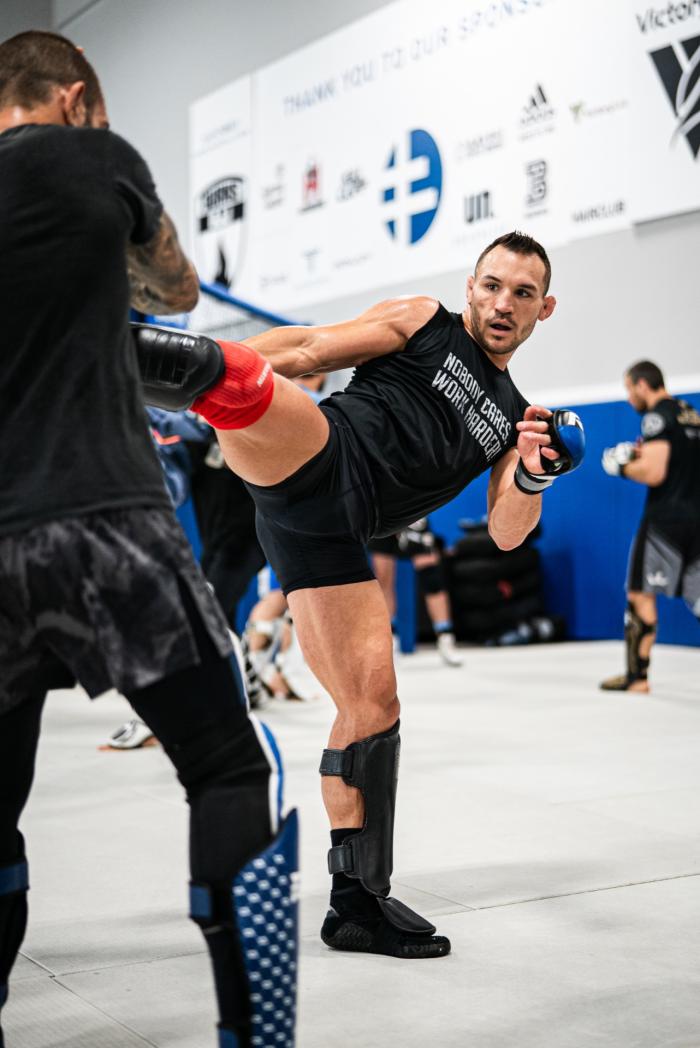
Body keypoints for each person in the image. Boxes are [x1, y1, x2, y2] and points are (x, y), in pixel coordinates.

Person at [134, 230, 585, 960]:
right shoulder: (421, 321)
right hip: (319, 457)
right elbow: (311, 348)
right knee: (242, 387)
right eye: (493, 285)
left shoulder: (514, 421)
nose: (504, 303)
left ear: (545, 308)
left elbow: (506, 532)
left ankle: (356, 905)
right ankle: (83, 353)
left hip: (336, 540)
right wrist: (253, 364)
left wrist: (536, 474)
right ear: (471, 287)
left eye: (523, 293)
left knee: (372, 708)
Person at [0, 31, 298, 1048]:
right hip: (101, 516)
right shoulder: (95, 153)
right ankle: (253, 1038)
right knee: (224, 764)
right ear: (76, 97)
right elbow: (177, 289)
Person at [600, 361, 700, 692]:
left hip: (665, 521)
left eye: (629, 389)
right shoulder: (690, 413)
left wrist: (620, 467)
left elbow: (655, 472)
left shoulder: (656, 416)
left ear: (643, 384)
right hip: (696, 516)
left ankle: (637, 678)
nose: (629, 398)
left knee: (639, 593)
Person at [369, 518, 464, 665]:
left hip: (412, 510)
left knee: (431, 577)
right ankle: (390, 639)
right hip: (382, 510)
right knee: (383, 578)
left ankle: (445, 637)